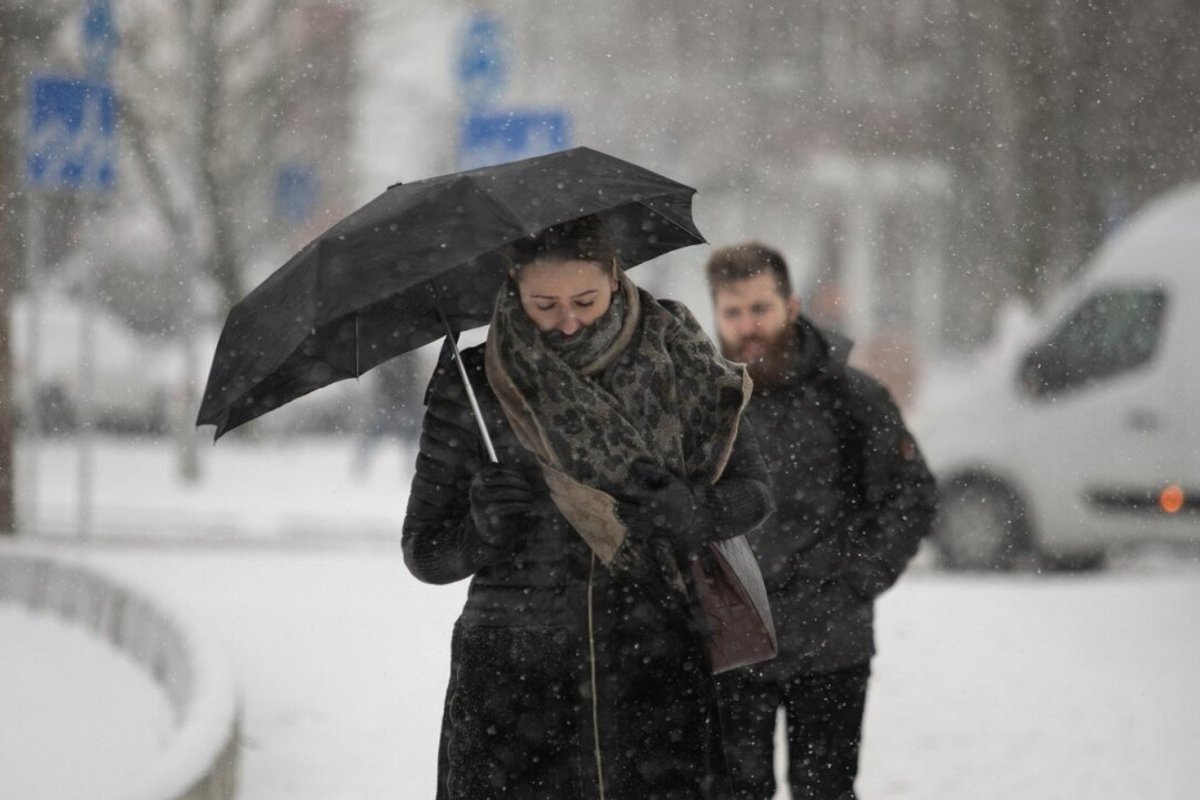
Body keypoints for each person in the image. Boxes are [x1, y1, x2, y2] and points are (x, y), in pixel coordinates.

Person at [402, 217, 775, 800]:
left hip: (654, 663)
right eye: (544, 305)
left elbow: (755, 492)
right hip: (516, 680)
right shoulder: (474, 380)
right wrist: (479, 532)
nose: (568, 321)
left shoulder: (681, 357)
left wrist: (694, 513)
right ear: (513, 286)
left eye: (585, 300)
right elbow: (424, 551)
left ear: (615, 278)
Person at [704, 242, 938, 800]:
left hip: (831, 645)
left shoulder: (849, 397)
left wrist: (859, 577)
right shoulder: (702, 404)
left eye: (760, 308)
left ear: (791, 305)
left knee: (826, 791)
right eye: (733, 312)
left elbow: (912, 493)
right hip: (730, 646)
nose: (748, 326)